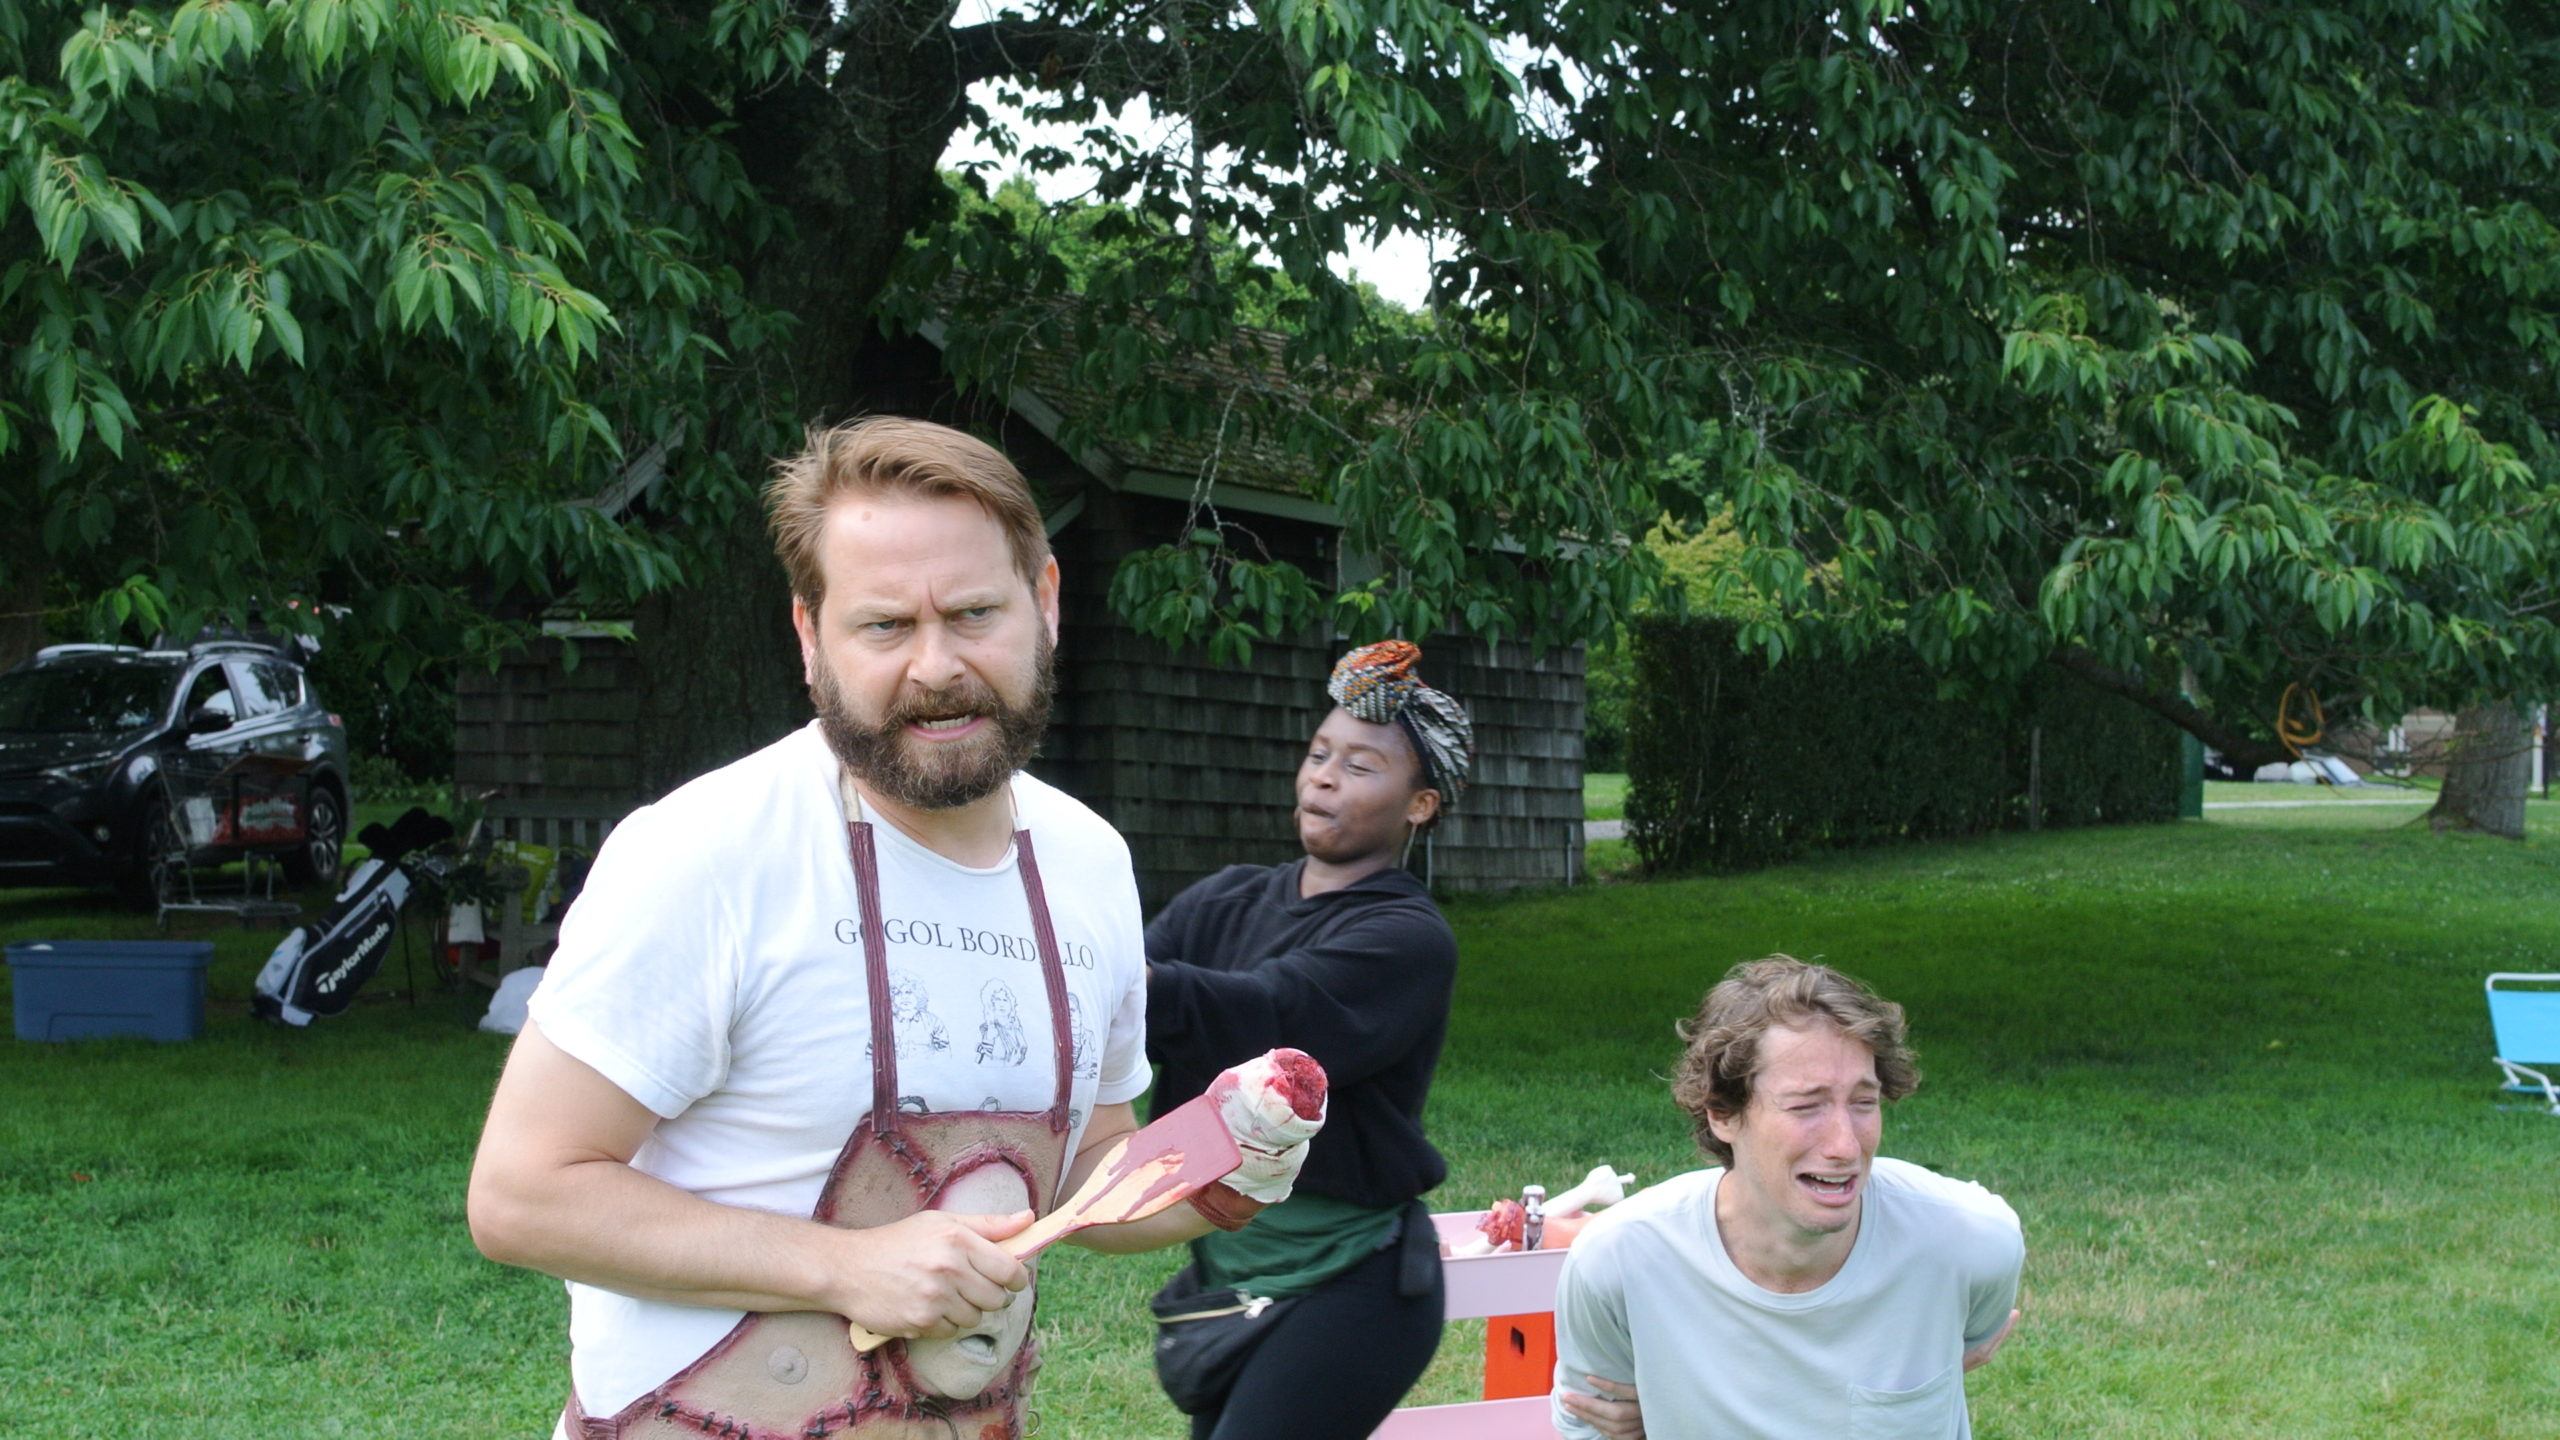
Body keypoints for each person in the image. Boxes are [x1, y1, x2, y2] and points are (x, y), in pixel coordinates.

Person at [466, 417, 1322, 1440]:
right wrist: (849, 1266)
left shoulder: (1087, 862)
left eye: (972, 613)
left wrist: (1227, 1176)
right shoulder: (705, 852)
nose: (935, 667)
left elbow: (1092, 1157)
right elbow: (522, 1196)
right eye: (883, 626)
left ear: (1044, 602)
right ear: (808, 634)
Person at [1141, 639, 1475, 1440]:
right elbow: (1122, 1014)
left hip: (1352, 1282)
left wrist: (1110, 982)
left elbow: (1268, 1016)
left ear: (1419, 805)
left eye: (1360, 767)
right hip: (1231, 1267)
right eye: (1320, 753)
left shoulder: (1407, 939)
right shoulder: (1226, 900)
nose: (1324, 775)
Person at [1551, 957, 2024, 1440]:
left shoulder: (1968, 1239)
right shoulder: (1622, 1262)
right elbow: (1589, 1422)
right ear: (1723, 1114)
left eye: (1864, 1102)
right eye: (1805, 1106)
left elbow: (1961, 1343)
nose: (1845, 1146)